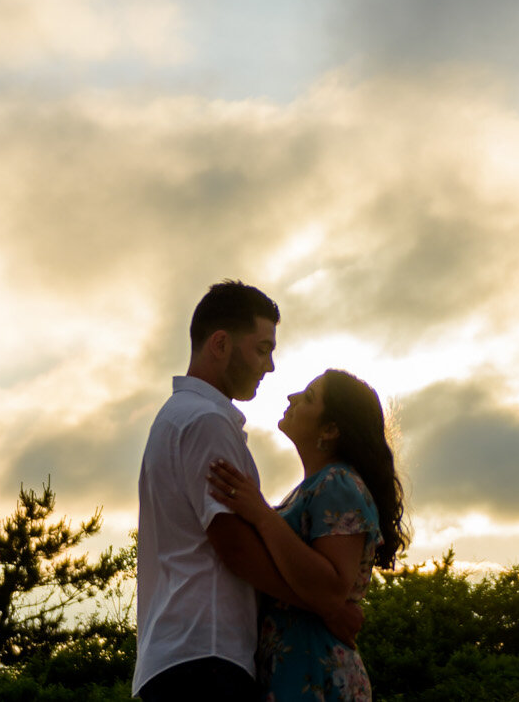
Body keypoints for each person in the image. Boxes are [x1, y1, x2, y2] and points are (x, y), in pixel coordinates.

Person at [133, 283, 361, 702]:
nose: (270, 366)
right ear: (220, 344)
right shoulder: (205, 421)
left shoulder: (177, 419)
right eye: (261, 349)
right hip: (206, 654)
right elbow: (234, 547)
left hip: (180, 653)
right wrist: (324, 606)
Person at [208, 369, 407, 702]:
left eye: (309, 396)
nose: (292, 398)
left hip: (318, 674)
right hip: (296, 671)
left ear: (330, 430)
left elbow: (331, 587)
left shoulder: (338, 484)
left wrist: (261, 515)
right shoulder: (312, 489)